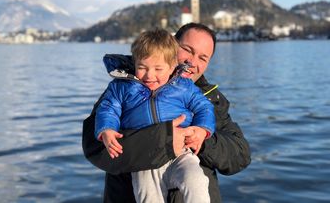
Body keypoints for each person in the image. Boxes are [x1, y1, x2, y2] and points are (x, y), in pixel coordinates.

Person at [82, 22, 251, 203]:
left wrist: (201, 140)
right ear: (170, 45)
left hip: (189, 177)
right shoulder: (124, 86)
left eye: (203, 58)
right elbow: (95, 147)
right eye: (187, 49)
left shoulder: (211, 99)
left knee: (195, 180)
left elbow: (240, 155)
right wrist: (164, 139)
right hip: (132, 191)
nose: (192, 62)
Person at [95, 29, 215, 203]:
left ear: (172, 66)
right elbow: (108, 108)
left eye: (158, 69)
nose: (149, 75)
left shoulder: (184, 87)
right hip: (145, 158)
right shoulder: (122, 87)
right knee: (147, 196)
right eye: (142, 67)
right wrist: (106, 129)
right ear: (135, 62)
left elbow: (204, 107)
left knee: (196, 181)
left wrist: (202, 130)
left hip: (181, 153)